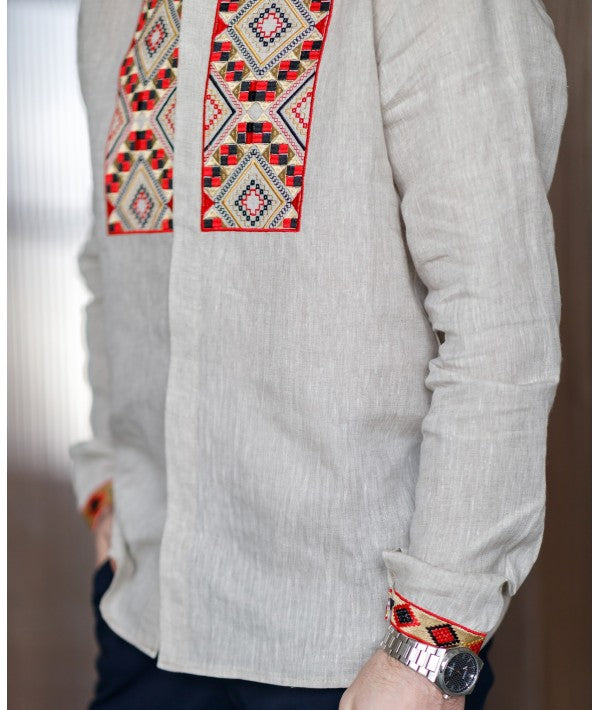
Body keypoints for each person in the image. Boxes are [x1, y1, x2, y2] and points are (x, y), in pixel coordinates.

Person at [69, 0, 568, 707]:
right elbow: (110, 273)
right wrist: (106, 496)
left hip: (355, 652)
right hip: (145, 621)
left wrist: (429, 647)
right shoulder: (108, 10)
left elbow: (500, 326)